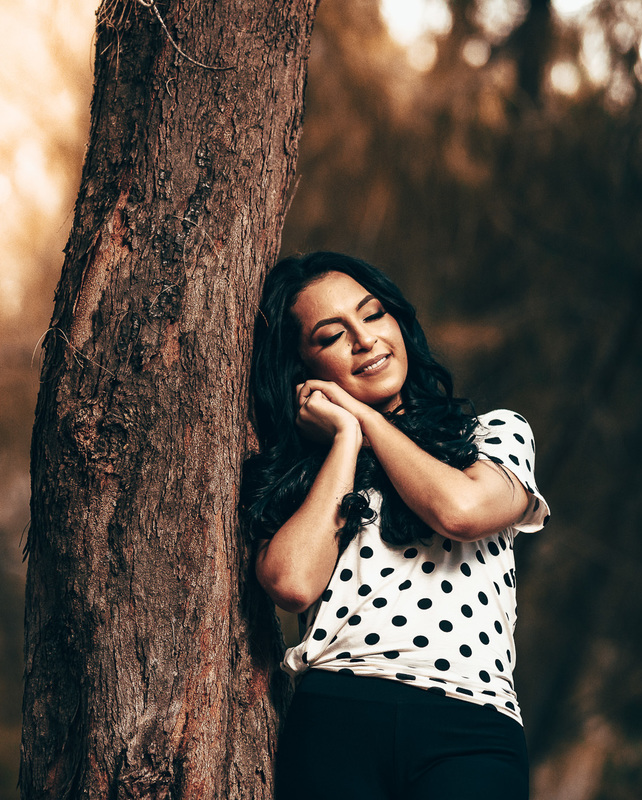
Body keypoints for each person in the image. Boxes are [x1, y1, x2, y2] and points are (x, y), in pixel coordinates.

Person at [241, 251, 550, 800]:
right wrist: (344, 440)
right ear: (303, 369)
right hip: (338, 717)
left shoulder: (490, 435)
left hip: (472, 726)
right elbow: (291, 582)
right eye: (332, 335)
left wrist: (363, 419)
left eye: (374, 314)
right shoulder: (299, 472)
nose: (365, 341)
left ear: (398, 321)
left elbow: (461, 510)